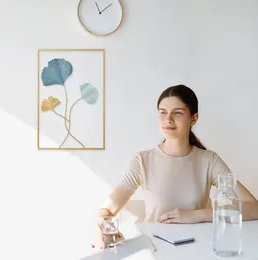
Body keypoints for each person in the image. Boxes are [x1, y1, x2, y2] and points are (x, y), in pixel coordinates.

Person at [92, 84, 258, 249]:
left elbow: (254, 208)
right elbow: (107, 209)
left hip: (199, 249)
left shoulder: (209, 160)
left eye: (177, 112)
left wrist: (197, 215)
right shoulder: (142, 160)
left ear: (194, 118)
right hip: (154, 250)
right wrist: (105, 228)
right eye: (163, 112)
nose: (168, 119)